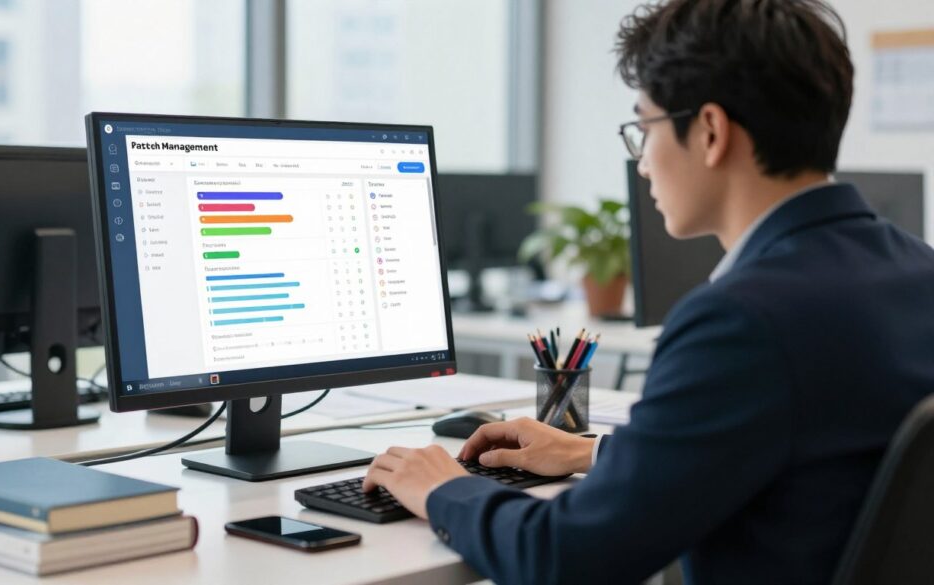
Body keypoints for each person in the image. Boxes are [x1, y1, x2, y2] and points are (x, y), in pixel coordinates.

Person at [361, 1, 934, 583]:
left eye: (645, 129)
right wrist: (593, 453)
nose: (641, 165)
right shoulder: (918, 271)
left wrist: (445, 490)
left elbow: (564, 557)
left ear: (710, 131)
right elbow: (812, 457)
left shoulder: (739, 320)